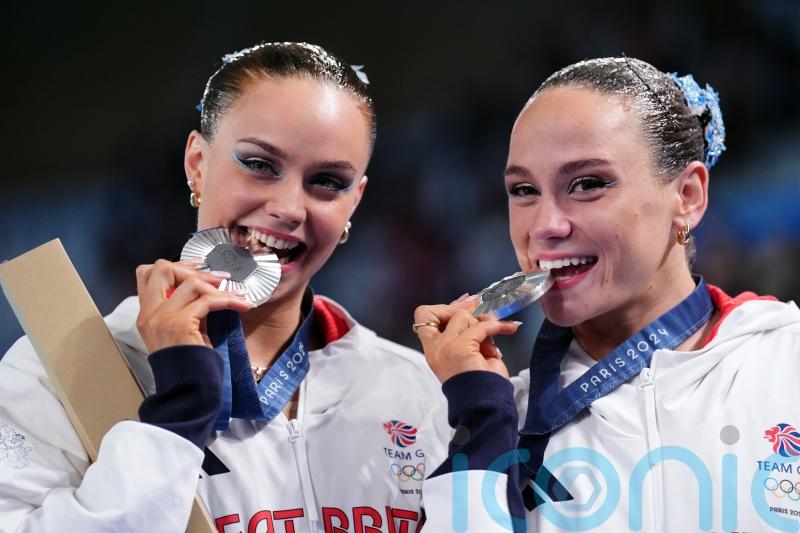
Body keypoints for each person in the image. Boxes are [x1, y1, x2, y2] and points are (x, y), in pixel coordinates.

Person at [0, 42, 447, 533]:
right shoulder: (56, 374)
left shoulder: (418, 389)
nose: (289, 208)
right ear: (197, 163)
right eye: (259, 165)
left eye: (326, 181)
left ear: (353, 203)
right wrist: (175, 421)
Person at [414, 57, 800, 532]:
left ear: (688, 196)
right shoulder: (484, 415)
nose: (544, 227)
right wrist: (482, 422)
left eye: (588, 184)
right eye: (524, 190)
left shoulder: (788, 361)